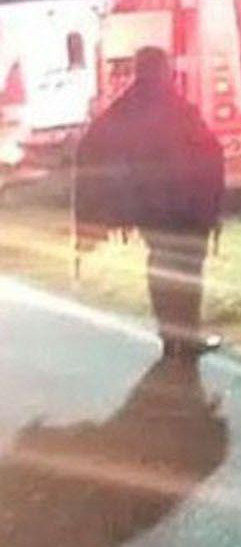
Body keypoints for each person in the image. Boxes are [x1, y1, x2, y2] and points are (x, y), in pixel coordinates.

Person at [74, 47, 225, 356]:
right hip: (186, 208)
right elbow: (209, 151)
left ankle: (171, 337)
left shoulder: (122, 110)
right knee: (187, 271)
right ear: (163, 70)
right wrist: (213, 202)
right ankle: (188, 336)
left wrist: (102, 210)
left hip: (149, 210)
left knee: (160, 264)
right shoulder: (177, 107)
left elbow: (91, 153)